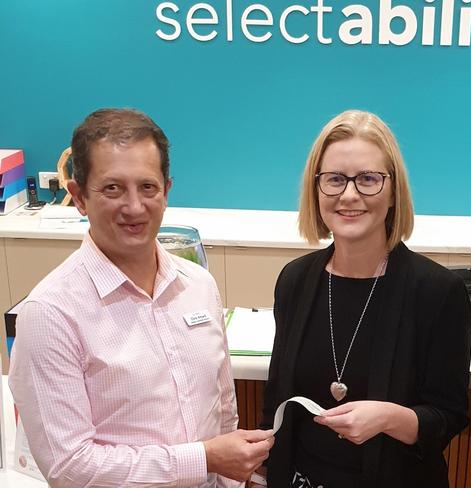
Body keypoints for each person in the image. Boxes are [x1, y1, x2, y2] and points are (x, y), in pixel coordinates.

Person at [8, 108, 274, 487]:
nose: (134, 207)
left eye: (147, 187)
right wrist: (203, 458)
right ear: (79, 197)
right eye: (112, 188)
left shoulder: (198, 285)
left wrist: (225, 473)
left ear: (166, 190)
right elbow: (71, 468)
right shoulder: (50, 315)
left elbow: (223, 411)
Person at [252, 110, 471, 487]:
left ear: (393, 192)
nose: (349, 195)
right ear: (316, 188)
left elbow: (448, 416)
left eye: (368, 179)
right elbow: (277, 396)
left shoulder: (437, 291)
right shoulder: (295, 280)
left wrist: (388, 418)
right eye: (335, 180)